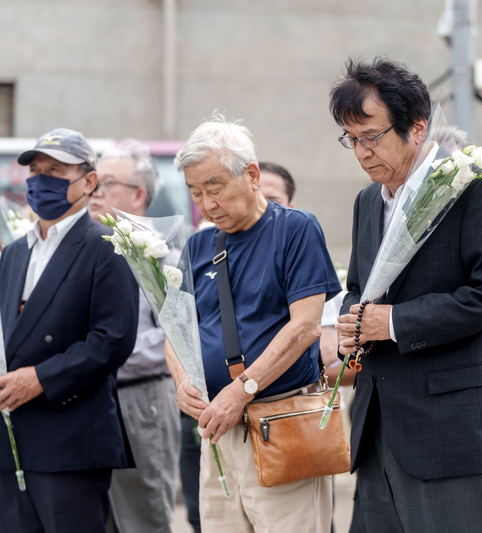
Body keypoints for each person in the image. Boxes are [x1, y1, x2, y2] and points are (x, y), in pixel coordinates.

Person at [330, 56, 482, 533]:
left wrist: (394, 323)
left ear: (417, 128)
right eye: (351, 139)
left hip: (451, 429)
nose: (361, 152)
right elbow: (360, 288)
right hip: (377, 426)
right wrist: (351, 325)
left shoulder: (472, 189)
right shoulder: (366, 201)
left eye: (371, 136)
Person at [169, 114, 341, 532]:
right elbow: (175, 330)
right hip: (217, 428)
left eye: (215, 188)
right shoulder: (197, 245)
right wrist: (182, 382)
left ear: (251, 175)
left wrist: (241, 389)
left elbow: (305, 327)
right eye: (195, 193)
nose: (207, 205)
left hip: (280, 423)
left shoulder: (295, 229)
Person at [0, 128, 139, 532]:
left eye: (56, 171)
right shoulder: (12, 254)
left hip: (71, 438)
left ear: (89, 181)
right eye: (36, 171)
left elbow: (112, 339)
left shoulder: (106, 246)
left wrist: (41, 378)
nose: (41, 180)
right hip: (12, 439)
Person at [87, 140, 181, 533]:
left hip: (140, 396)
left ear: (138, 194)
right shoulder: (90, 251)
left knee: (142, 516)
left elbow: (172, 341)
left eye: (106, 183)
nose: (96, 193)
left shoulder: (161, 257)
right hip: (89, 396)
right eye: (92, 184)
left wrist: (98, 355)